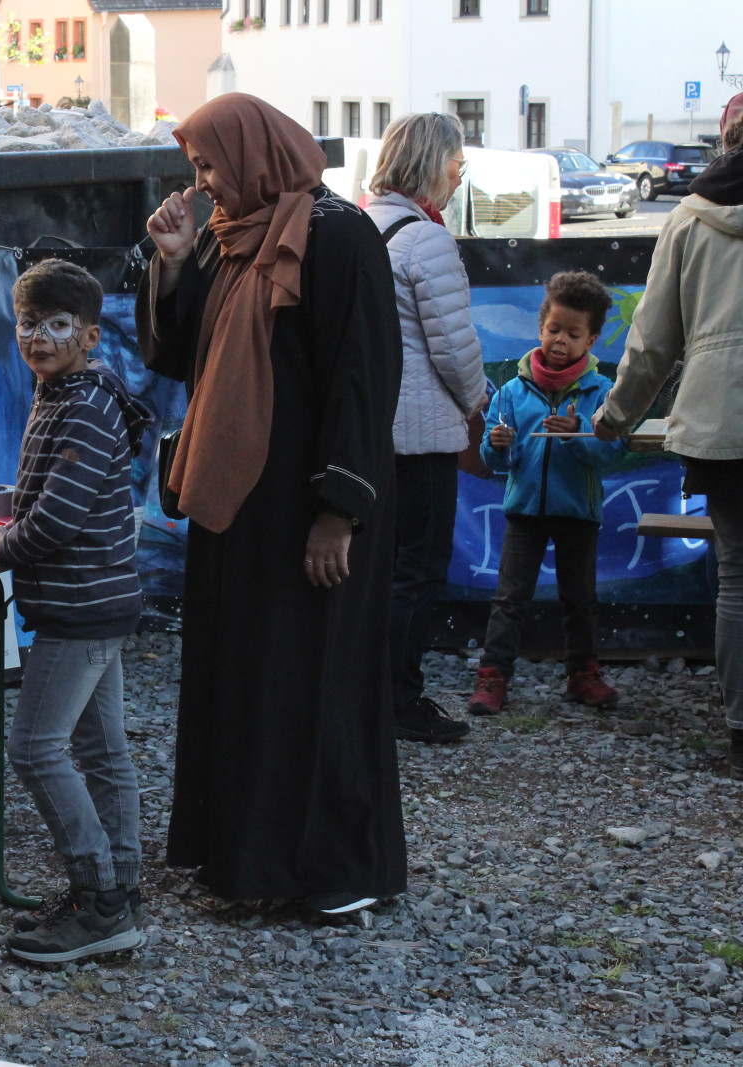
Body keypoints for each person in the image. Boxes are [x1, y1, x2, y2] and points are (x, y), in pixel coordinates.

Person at [137, 93, 406, 917]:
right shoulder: (228, 240)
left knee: (316, 681)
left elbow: (364, 378)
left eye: (211, 165)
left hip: (306, 507)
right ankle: (252, 864)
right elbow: (182, 355)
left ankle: (338, 869)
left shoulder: (339, 237)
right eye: (196, 168)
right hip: (243, 512)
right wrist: (173, 262)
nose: (203, 184)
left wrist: (339, 510)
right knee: (250, 680)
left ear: (256, 153)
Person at [0, 259, 153, 964]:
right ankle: (119, 896)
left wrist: (0, 544)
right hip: (96, 602)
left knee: (34, 748)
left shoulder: (82, 405)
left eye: (56, 325)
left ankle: (99, 899)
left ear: (90, 335)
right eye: (27, 324)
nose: (38, 339)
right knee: (102, 752)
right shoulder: (64, 391)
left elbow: (57, 520)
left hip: (81, 606)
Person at [594, 111, 743, 779]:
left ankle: (740, 731)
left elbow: (653, 341)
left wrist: (616, 415)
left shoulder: (689, 216)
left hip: (720, 420)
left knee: (737, 576)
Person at [364, 113, 489, 744]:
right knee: (417, 570)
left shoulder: (364, 226)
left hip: (368, 433)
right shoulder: (427, 240)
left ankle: (363, 695)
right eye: (456, 164)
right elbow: (455, 350)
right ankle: (398, 701)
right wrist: (478, 402)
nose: (459, 177)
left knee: (377, 572)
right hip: (422, 435)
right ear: (431, 163)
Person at [470, 272, 625, 714]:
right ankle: (492, 677)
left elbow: (614, 454)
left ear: (591, 340)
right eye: (554, 329)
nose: (561, 340)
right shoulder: (511, 391)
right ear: (540, 328)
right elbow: (497, 461)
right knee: (509, 599)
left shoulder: (603, 393)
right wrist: (496, 444)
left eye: (574, 334)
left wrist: (580, 433)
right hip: (524, 512)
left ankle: (583, 675)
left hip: (578, 512)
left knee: (580, 600)